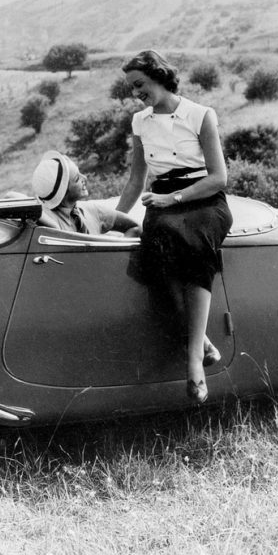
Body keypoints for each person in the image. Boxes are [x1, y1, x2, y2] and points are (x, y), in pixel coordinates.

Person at [116, 49, 232, 404]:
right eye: (132, 88)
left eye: (140, 84)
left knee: (192, 245)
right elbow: (137, 181)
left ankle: (194, 361)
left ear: (159, 76)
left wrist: (174, 199)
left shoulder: (200, 115)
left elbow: (219, 178)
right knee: (153, 251)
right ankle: (203, 342)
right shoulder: (140, 123)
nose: (136, 92)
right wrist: (116, 220)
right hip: (162, 202)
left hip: (203, 201)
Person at [31, 150, 140, 235]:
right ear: (64, 192)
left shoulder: (94, 210)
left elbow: (135, 227)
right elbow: (13, 195)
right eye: (77, 179)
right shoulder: (46, 221)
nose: (85, 178)